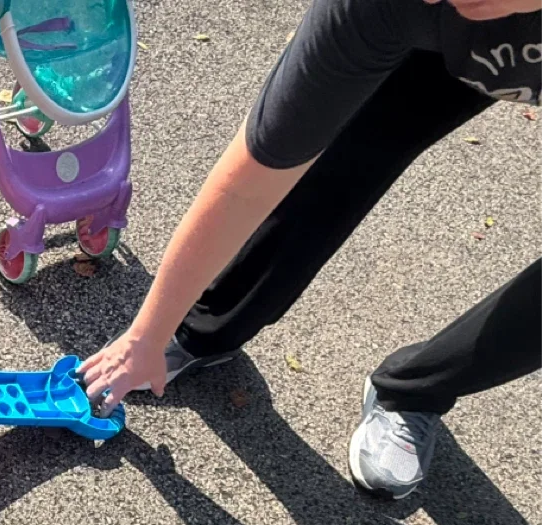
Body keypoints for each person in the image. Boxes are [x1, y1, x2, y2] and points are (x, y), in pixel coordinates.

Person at [78, 0, 542, 499]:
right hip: (414, 28)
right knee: (351, 152)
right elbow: (250, 183)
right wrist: (147, 334)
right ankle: (207, 330)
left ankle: (418, 391)